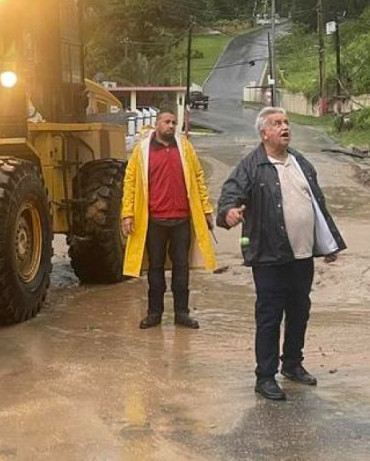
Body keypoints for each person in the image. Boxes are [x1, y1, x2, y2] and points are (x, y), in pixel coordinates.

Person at [217, 106, 346, 401]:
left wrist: (327, 244)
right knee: (269, 316)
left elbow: (317, 204)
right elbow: (228, 198)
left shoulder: (300, 161)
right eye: (277, 123)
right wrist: (229, 214)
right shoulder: (251, 166)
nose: (285, 127)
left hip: (302, 255)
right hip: (269, 257)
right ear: (264, 133)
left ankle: (292, 364)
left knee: (300, 311)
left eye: (286, 122)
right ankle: (265, 377)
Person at [121, 109, 216, 329]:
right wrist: (127, 214)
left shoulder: (185, 148)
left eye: (174, 122)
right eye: (167, 122)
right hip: (154, 221)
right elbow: (130, 183)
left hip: (181, 220)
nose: (171, 126)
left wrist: (205, 209)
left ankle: (182, 313)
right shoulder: (141, 151)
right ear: (156, 124)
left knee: (181, 269)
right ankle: (154, 313)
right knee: (155, 270)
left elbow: (199, 179)